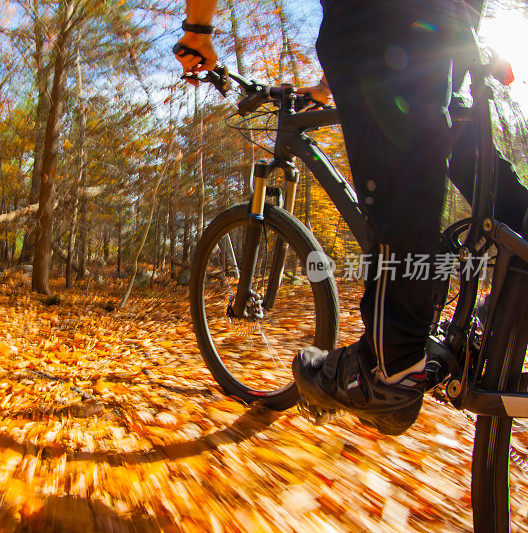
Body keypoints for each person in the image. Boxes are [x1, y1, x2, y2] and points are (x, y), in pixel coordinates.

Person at [175, 0, 528, 435]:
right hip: (450, 19)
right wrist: (325, 89)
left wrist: (197, 31)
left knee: (385, 111)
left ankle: (389, 368)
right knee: (447, 131)